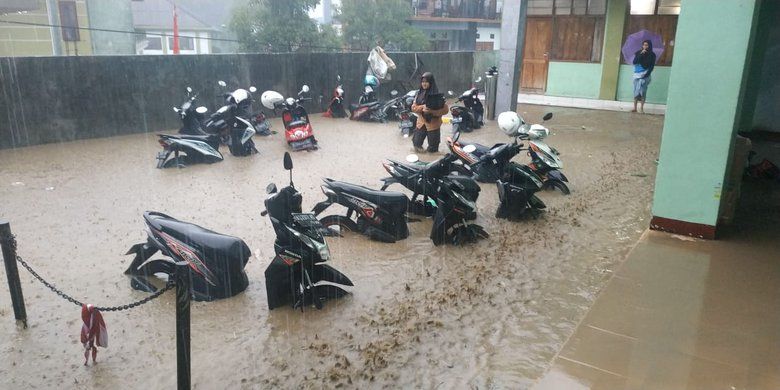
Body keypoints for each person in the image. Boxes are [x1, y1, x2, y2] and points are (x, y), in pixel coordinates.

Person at [411, 72, 449, 153]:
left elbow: (445, 110)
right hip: (421, 123)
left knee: (433, 149)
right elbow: (413, 108)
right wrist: (422, 107)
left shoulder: (438, 95)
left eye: (426, 82)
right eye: (422, 82)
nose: (424, 84)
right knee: (416, 144)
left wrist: (432, 112)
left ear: (431, 82)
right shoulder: (419, 94)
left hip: (433, 125)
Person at [632, 40, 656, 114]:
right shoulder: (638, 53)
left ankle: (641, 108)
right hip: (637, 75)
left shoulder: (652, 55)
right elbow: (634, 62)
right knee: (636, 91)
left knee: (643, 91)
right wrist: (641, 54)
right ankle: (634, 108)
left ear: (649, 46)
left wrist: (647, 74)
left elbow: (651, 66)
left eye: (647, 45)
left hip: (645, 75)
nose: (645, 46)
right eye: (644, 45)